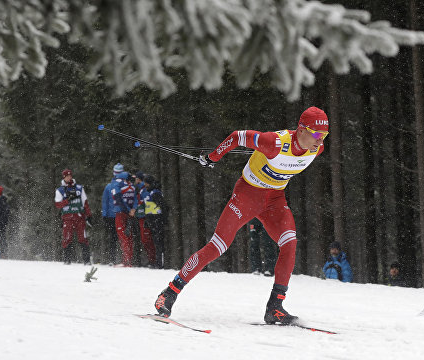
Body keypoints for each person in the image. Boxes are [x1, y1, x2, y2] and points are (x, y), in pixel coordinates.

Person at [154, 106, 329, 324]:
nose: (320, 141)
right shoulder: (274, 142)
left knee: (290, 243)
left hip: (274, 200)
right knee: (218, 246)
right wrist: (212, 157)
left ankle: (275, 307)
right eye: (316, 134)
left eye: (324, 136)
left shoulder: (316, 149)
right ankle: (169, 293)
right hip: (247, 195)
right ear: (301, 129)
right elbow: (237, 137)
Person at [55, 169, 92, 265]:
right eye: (67, 176)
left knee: (82, 238)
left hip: (79, 217)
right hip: (67, 218)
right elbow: (58, 204)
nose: (69, 177)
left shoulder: (79, 188)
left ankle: (86, 260)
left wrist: (89, 215)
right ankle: (67, 260)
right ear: (63, 177)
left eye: (70, 176)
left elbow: (85, 202)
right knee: (67, 238)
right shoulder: (60, 190)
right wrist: (67, 200)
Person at [110, 171, 137, 267]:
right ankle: (128, 260)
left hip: (121, 213)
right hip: (129, 214)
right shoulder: (132, 187)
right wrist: (133, 209)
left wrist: (129, 209)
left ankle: (127, 261)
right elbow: (135, 199)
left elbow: (118, 199)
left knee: (123, 237)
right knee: (128, 237)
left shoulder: (118, 185)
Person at [143, 175, 167, 269]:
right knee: (156, 242)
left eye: (146, 183)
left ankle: (159, 263)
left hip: (157, 221)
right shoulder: (151, 192)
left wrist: (163, 220)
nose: (145, 185)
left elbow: (163, 206)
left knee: (159, 243)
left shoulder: (155, 193)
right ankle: (157, 262)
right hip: (153, 221)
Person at [134, 171, 156, 267]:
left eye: (135, 178)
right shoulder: (140, 189)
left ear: (139, 179)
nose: (134, 180)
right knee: (145, 240)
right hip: (142, 217)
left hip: (145, 217)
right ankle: (151, 260)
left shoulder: (144, 189)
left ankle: (153, 261)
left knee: (147, 239)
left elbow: (147, 203)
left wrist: (141, 212)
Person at [101, 163, 122, 264]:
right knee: (112, 237)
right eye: (116, 173)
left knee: (123, 237)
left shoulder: (125, 186)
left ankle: (125, 259)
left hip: (122, 215)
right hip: (111, 216)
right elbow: (105, 201)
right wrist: (104, 214)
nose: (117, 175)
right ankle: (112, 259)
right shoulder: (109, 186)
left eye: (119, 173)